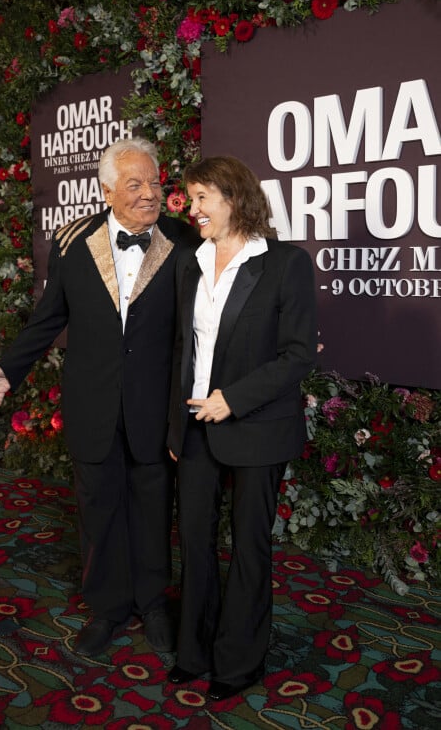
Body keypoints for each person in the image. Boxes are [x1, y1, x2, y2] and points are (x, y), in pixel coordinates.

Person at [0, 137, 199, 657]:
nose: (148, 193)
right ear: (107, 190)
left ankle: (153, 603)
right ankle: (109, 607)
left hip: (154, 407)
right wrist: (10, 367)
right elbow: (50, 316)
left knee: (153, 507)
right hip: (93, 404)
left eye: (154, 182)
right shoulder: (74, 243)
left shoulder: (185, 242)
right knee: (98, 508)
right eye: (134, 184)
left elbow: (207, 320)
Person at [166, 156, 317, 701]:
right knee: (196, 541)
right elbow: (183, 350)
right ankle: (195, 650)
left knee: (249, 547)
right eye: (191, 197)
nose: (193, 208)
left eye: (203, 197)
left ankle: (239, 661)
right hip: (195, 424)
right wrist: (175, 429)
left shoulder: (284, 264)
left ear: (235, 198)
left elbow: (298, 355)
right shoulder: (192, 261)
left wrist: (233, 400)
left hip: (256, 425)